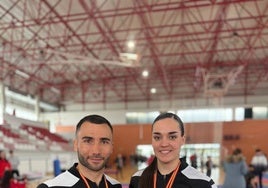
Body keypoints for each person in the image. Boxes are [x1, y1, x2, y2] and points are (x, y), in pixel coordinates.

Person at [129, 112, 217, 188]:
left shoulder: (203, 183)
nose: (164, 144)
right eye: (157, 137)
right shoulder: (137, 179)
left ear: (182, 140)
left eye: (172, 137)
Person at [37, 114, 122, 188]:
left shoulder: (115, 185)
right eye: (88, 141)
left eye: (104, 142)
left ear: (111, 147)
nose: (96, 151)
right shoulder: (51, 187)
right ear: (75, 145)